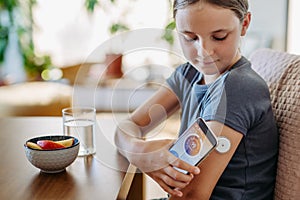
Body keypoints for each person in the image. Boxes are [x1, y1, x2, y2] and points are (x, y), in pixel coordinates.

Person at [114, 0, 279, 199]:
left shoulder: (238, 87)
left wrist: (137, 151)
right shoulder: (189, 74)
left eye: (219, 37)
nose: (204, 52)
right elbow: (127, 126)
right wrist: (141, 152)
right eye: (190, 37)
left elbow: (191, 195)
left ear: (244, 24)